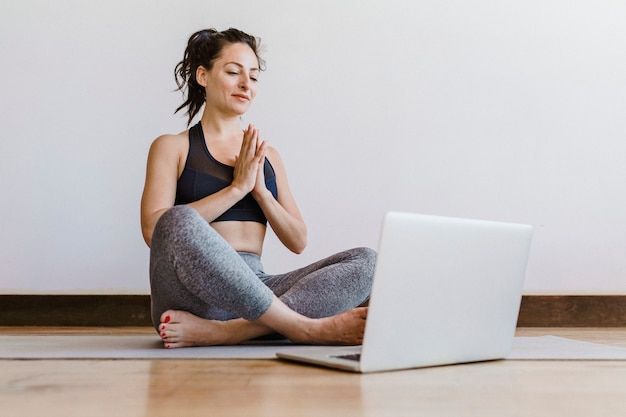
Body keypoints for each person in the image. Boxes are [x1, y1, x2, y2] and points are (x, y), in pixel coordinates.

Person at [140, 28, 376, 348]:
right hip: (192, 296)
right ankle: (304, 328)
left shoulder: (268, 157)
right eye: (234, 72)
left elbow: (298, 241)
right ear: (203, 76)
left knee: (367, 262)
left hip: (257, 291)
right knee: (176, 219)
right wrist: (237, 189)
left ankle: (230, 333)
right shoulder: (172, 147)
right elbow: (155, 229)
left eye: (253, 76)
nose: (245, 84)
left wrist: (261, 192)